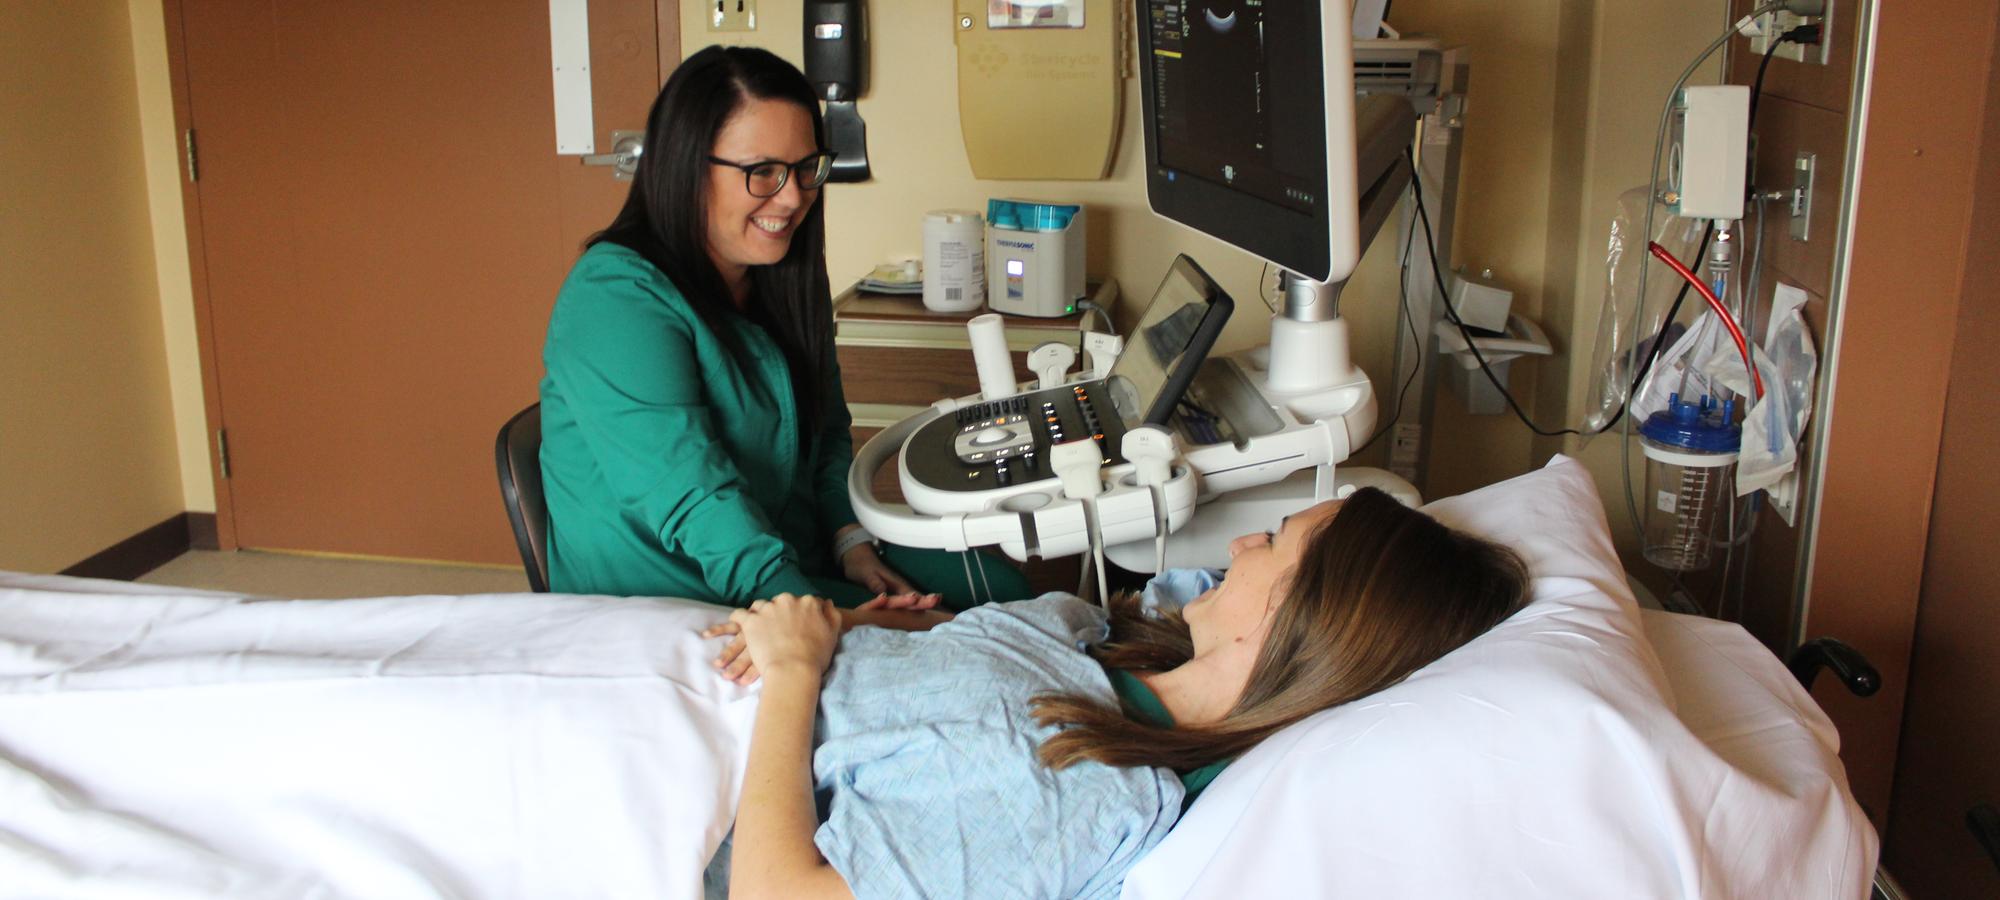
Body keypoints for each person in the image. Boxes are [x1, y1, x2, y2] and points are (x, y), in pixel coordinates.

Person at [704, 487, 1531, 898]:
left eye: (1274, 541)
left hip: (696, 761)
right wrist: (865, 628)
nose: (1243, 541)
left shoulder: (1078, 788)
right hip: (741, 663)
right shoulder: (1121, 643)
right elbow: (971, 660)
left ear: (1283, 617)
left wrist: (795, 671)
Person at [539, 46, 1030, 613]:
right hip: (679, 593)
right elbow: (694, 500)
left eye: (805, 168)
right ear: (684, 166)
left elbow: (826, 430)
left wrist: (850, 540)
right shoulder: (614, 300)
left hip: (784, 553)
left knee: (1006, 594)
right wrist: (816, 614)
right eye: (763, 172)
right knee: (964, 644)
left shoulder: (778, 274)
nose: (794, 196)